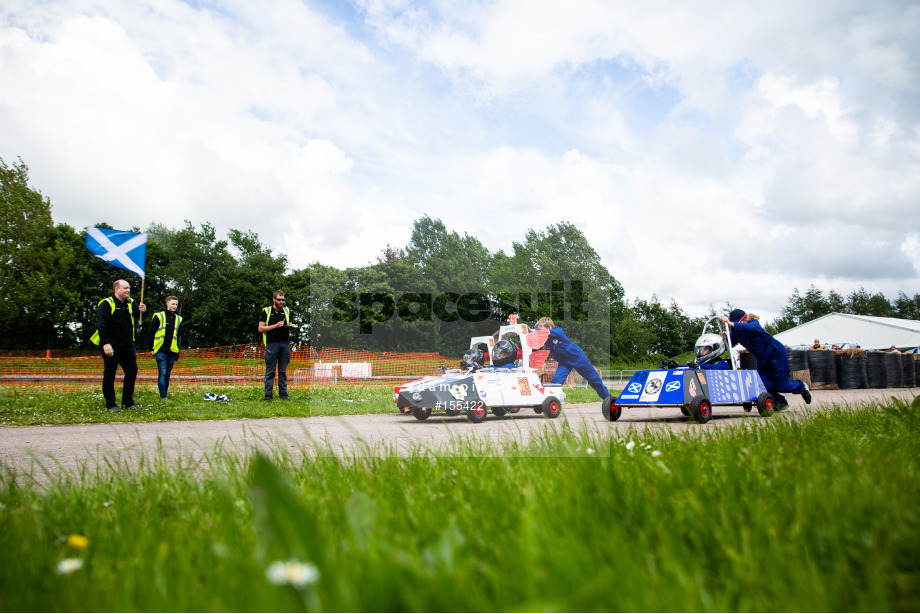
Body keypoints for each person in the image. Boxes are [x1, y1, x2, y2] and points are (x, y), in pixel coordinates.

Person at [721, 309, 811, 410]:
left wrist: (730, 323)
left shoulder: (754, 324)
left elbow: (751, 328)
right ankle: (780, 403)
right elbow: (728, 344)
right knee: (762, 384)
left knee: (780, 384)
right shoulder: (737, 333)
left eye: (737, 323)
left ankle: (802, 387)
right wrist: (725, 338)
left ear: (744, 320)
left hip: (776, 354)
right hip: (762, 359)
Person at [93, 279, 146, 412]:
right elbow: (101, 324)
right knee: (110, 374)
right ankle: (111, 404)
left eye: (129, 288)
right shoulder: (106, 304)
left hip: (128, 345)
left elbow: (138, 316)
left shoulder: (131, 302)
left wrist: (142, 310)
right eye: (125, 288)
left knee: (132, 372)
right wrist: (105, 344)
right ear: (116, 289)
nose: (128, 290)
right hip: (111, 345)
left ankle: (128, 403)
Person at [530, 317, 610, 401]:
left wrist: (532, 330)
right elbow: (531, 337)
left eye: (540, 328)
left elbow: (540, 332)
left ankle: (609, 399)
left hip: (578, 359)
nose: (538, 331)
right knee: (555, 382)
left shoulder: (558, 332)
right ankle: (549, 402)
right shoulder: (547, 340)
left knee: (594, 380)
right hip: (564, 363)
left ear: (549, 327)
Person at [258, 290, 298, 400]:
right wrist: (275, 326)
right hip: (271, 344)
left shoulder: (287, 311)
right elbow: (260, 328)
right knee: (270, 371)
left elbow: (287, 324)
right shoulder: (266, 311)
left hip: (285, 344)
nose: (281, 302)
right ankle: (268, 396)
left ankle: (284, 395)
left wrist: (291, 326)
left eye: (283, 300)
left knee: (283, 372)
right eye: (279, 299)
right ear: (274, 299)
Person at [146, 295, 186, 399]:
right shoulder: (159, 316)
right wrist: (152, 348)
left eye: (176, 304)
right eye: (173, 304)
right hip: (160, 350)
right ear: (167, 304)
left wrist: (177, 351)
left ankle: (165, 394)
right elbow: (150, 333)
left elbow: (178, 336)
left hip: (172, 350)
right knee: (162, 373)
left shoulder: (179, 319)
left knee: (167, 374)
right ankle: (163, 396)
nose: (175, 306)